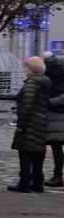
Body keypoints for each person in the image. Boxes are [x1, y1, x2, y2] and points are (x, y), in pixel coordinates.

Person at [8, 56, 51, 193]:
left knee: (25, 153)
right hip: (41, 123)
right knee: (38, 153)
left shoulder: (31, 84)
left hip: (29, 124)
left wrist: (21, 125)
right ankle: (38, 182)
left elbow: (27, 105)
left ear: (31, 69)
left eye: (26, 67)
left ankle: (24, 183)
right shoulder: (45, 82)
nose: (25, 69)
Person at [44, 52, 64, 188]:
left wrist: (50, 102)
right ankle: (57, 176)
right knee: (56, 147)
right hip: (55, 113)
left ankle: (57, 176)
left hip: (53, 113)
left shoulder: (46, 75)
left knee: (56, 147)